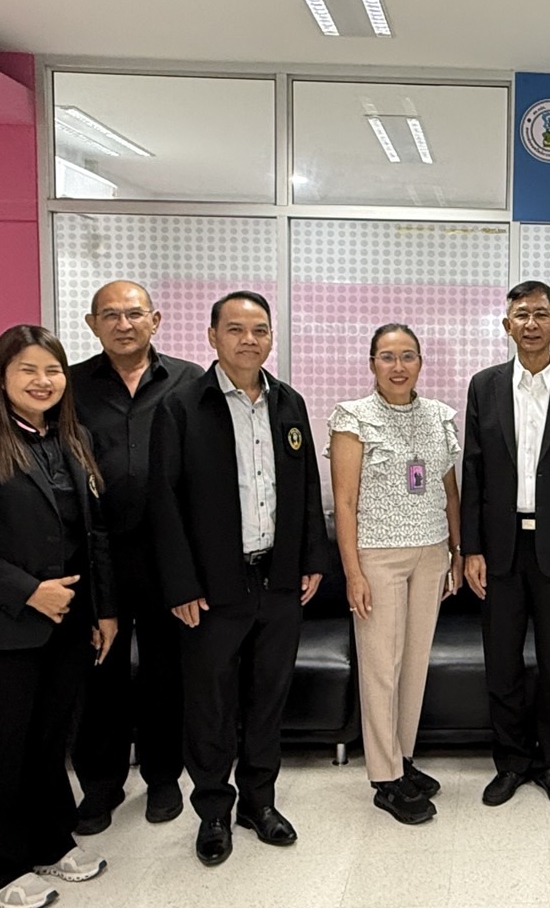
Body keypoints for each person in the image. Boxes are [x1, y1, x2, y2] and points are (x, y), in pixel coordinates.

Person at [0, 324, 119, 908]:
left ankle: (50, 842)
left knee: (48, 741)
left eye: (53, 370)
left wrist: (104, 612)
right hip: (2, 626)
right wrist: (29, 591)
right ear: (2, 377)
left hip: (69, 623)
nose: (43, 381)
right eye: (28, 370)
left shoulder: (74, 440)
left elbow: (94, 537)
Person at [149, 291, 330, 867]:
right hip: (211, 587)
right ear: (212, 337)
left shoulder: (289, 402)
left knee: (267, 698)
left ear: (271, 337)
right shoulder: (181, 406)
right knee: (210, 704)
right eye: (235, 329)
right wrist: (180, 585)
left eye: (259, 330)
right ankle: (212, 811)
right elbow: (162, 502)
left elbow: (306, 487)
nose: (249, 340)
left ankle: (259, 801)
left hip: (277, 580)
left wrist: (311, 558)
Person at [462, 282, 550, 810]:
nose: (531, 323)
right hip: (500, 550)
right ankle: (511, 762)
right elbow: (473, 471)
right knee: (501, 663)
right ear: (507, 326)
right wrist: (471, 549)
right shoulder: (485, 386)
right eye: (521, 315)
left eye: (541, 314)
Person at [68, 280, 204, 833]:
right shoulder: (70, 386)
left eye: (133, 314)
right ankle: (101, 785)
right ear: (92, 324)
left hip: (167, 553)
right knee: (98, 671)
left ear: (156, 319)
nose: (123, 324)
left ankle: (164, 776)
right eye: (110, 315)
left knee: (166, 672)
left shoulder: (190, 381)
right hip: (95, 553)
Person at [329, 323, 464, 825]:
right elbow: (344, 502)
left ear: (421, 363)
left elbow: (449, 490)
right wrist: (353, 573)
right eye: (387, 357)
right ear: (372, 364)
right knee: (381, 667)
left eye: (408, 356)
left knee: (413, 664)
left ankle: (402, 759)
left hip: (431, 553)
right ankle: (384, 778)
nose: (398, 366)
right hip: (378, 556)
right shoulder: (353, 417)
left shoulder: (439, 416)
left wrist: (456, 550)